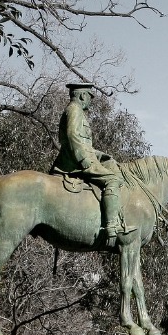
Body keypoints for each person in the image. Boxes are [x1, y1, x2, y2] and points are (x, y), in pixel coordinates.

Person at [52, 82, 136, 238]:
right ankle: (112, 225)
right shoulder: (74, 110)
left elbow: (84, 143)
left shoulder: (75, 111)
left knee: (111, 166)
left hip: (79, 158)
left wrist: (101, 156)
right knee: (113, 180)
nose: (90, 100)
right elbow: (72, 137)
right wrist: (83, 159)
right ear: (83, 95)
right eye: (90, 96)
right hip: (75, 162)